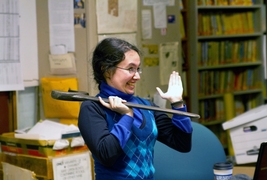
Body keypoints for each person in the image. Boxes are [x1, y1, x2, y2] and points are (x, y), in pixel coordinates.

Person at [78, 38, 193, 180]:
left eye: (138, 69)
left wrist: (178, 104)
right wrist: (127, 116)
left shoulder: (146, 106)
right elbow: (107, 155)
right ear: (107, 70)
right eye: (130, 69)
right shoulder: (92, 108)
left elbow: (182, 144)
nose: (137, 76)